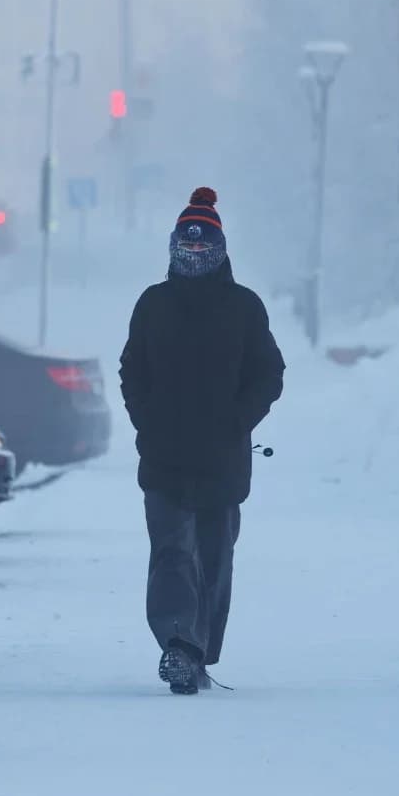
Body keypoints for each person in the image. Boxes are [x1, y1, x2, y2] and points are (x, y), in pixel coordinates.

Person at [118, 186, 285, 695]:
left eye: (202, 246)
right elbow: (132, 370)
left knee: (213, 559)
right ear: (173, 248)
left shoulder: (244, 307)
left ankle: (199, 650)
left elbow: (268, 374)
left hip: (222, 460)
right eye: (186, 246)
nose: (194, 254)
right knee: (171, 553)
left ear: (219, 250)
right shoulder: (153, 304)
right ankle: (178, 646)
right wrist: (146, 420)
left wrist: (238, 421)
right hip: (163, 457)